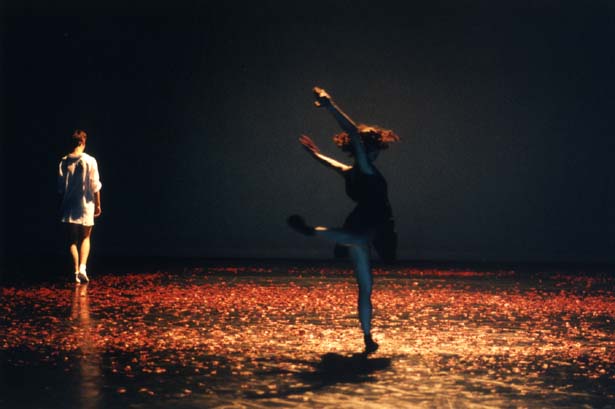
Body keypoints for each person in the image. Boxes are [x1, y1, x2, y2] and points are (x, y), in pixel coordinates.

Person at [288, 87, 399, 354]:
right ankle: (367, 336)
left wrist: (315, 154)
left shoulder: (350, 171)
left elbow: (331, 164)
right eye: (371, 150)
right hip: (375, 221)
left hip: (365, 221)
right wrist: (330, 106)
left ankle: (368, 336)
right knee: (363, 271)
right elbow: (351, 135)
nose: (374, 154)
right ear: (364, 151)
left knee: (364, 280)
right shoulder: (365, 169)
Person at [58, 129, 102, 283]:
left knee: (72, 240)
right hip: (86, 204)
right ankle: (83, 268)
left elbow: (60, 187)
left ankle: (75, 272)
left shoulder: (64, 161)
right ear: (83, 142)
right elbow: (95, 185)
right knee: (85, 237)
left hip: (69, 204)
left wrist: (61, 205)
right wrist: (98, 204)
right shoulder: (90, 160)